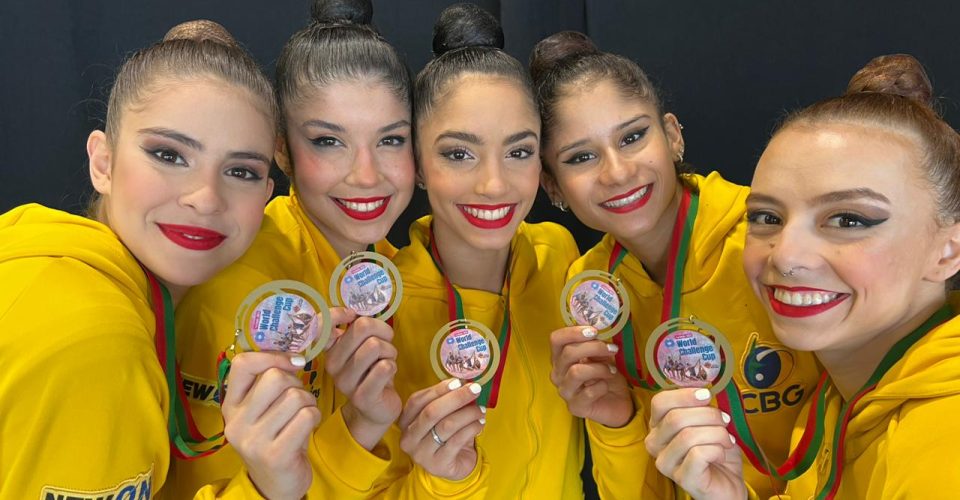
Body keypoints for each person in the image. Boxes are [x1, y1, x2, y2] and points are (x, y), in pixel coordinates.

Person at [0, 19, 301, 498]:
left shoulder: (91, 280)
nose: (206, 197)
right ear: (103, 162)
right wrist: (270, 489)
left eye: (240, 170)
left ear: (267, 195)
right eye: (169, 154)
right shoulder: (93, 336)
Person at [645, 54, 960, 499]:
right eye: (767, 216)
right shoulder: (842, 395)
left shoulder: (944, 439)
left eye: (849, 220)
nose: (787, 255)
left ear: (949, 250)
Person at [530, 31, 820, 498]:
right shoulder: (591, 293)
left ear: (672, 135)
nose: (617, 172)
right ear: (553, 187)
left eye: (632, 137)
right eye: (581, 157)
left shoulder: (770, 241)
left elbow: (854, 414)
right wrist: (616, 419)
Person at [172, 0, 415, 497]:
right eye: (328, 141)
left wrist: (364, 425)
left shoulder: (397, 270)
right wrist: (355, 430)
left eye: (391, 140)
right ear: (281, 150)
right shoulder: (236, 285)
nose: (367, 174)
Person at [383, 3, 583, 498]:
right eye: (458, 153)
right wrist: (439, 482)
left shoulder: (560, 255)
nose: (495, 185)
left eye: (519, 151)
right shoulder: (378, 306)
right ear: (419, 165)